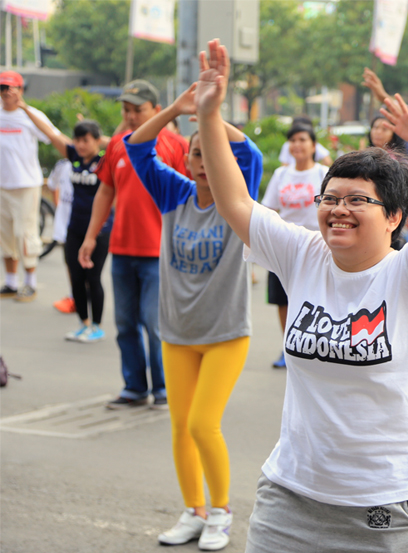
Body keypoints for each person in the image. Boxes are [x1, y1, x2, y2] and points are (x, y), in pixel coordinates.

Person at [195, 39, 408, 553]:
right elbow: (235, 202)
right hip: (291, 494)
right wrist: (210, 116)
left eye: (358, 200)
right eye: (330, 198)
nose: (338, 209)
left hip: (387, 502)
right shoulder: (303, 254)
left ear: (393, 216)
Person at [124, 81, 262, 551]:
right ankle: (194, 511)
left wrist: (209, 114)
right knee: (181, 428)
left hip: (226, 333)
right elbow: (137, 147)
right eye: (198, 153)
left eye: (212, 152)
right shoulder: (172, 193)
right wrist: (176, 110)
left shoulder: (237, 199)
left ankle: (221, 512)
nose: (205, 161)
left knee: (204, 424)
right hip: (178, 332)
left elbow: (250, 154)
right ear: (186, 159)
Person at [80, 79, 189, 409]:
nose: (130, 116)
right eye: (126, 110)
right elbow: (105, 191)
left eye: (137, 110)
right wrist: (90, 236)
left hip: (160, 252)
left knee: (154, 324)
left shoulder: (176, 145)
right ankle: (135, 387)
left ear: (157, 110)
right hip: (122, 250)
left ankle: (164, 388)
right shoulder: (117, 144)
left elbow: (192, 197)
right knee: (125, 323)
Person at [17, 103, 113, 342]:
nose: (80, 145)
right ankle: (84, 323)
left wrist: (101, 139)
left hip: (99, 230)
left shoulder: (105, 161)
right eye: (77, 140)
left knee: (93, 278)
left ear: (97, 141)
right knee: (76, 278)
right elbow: (50, 133)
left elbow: (120, 142)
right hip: (75, 228)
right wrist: (23, 107)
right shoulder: (73, 156)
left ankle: (97, 326)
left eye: (86, 140)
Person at [261, 124, 328, 368]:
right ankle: (289, 346)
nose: (297, 145)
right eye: (292, 140)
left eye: (302, 139)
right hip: (285, 247)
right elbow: (269, 210)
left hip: (316, 247)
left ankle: (318, 346)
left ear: (313, 145)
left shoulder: (323, 173)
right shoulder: (281, 175)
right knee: (283, 300)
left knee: (316, 298)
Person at [0, 70, 59, 302]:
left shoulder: (31, 115)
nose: (6, 92)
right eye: (2, 88)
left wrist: (25, 109)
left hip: (25, 185)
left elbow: (51, 136)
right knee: (5, 235)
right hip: (2, 185)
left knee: (25, 234)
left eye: (10, 87)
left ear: (20, 90)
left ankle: (30, 283)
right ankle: (10, 282)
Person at [47, 158, 77, 314]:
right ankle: (74, 296)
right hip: (66, 226)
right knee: (70, 261)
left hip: (87, 223)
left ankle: (84, 296)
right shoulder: (62, 165)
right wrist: (58, 205)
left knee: (88, 264)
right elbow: (53, 185)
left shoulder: (97, 163)